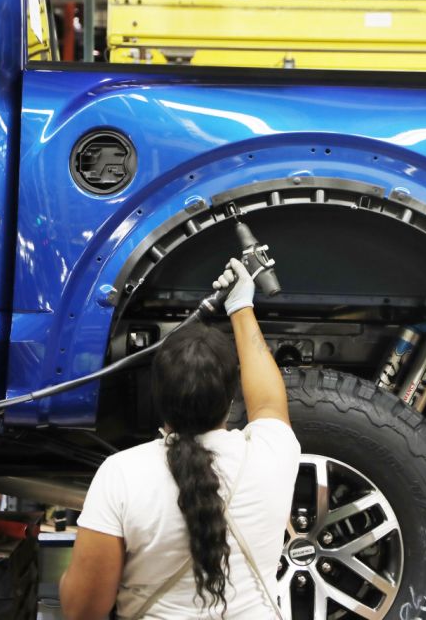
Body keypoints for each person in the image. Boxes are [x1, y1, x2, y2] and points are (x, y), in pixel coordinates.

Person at [60, 258, 301, 619]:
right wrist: (240, 307)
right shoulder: (272, 456)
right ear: (230, 398)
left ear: (157, 398)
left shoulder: (122, 475)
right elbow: (268, 401)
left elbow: (83, 611)